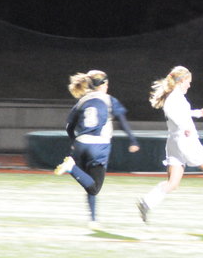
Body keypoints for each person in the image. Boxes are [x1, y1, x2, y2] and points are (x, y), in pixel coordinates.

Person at [136, 66, 203, 226]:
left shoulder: (174, 96)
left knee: (172, 183)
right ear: (181, 80)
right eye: (188, 82)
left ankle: (147, 202)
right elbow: (174, 114)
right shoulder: (175, 98)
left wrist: (197, 113)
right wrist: (184, 127)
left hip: (174, 143)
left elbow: (181, 113)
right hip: (187, 142)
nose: (189, 85)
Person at [54, 70, 140, 230]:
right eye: (107, 84)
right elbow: (122, 122)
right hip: (99, 146)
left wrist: (73, 141)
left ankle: (93, 220)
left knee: (89, 183)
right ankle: (70, 167)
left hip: (80, 145)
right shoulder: (109, 100)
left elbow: (69, 126)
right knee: (94, 187)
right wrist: (132, 140)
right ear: (103, 84)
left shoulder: (82, 101)